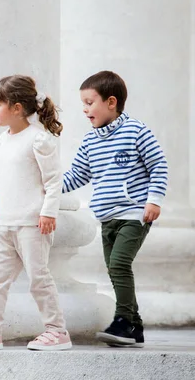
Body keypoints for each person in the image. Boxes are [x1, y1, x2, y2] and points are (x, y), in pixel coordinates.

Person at [0, 75, 72, 351]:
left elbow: (53, 181)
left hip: (33, 224)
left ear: (17, 108)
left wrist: (49, 213)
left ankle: (57, 331)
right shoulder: (4, 139)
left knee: (38, 278)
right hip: (7, 222)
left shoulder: (39, 140)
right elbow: (9, 174)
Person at [62, 71, 168, 347]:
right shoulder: (90, 141)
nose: (84, 109)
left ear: (111, 102)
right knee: (113, 268)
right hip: (107, 217)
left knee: (120, 264)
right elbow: (76, 176)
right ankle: (136, 326)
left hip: (134, 213)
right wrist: (44, 186)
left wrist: (154, 199)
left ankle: (123, 321)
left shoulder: (135, 131)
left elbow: (158, 165)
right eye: (82, 103)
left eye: (89, 102)